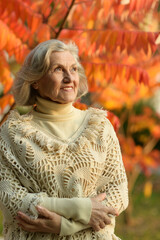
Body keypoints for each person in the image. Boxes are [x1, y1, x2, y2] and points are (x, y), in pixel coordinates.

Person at [0, 39, 128, 240]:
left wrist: (64, 226)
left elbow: (118, 193)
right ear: (35, 80)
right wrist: (82, 209)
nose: (69, 78)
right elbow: (12, 201)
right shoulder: (13, 132)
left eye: (74, 69)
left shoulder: (100, 126)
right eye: (59, 69)